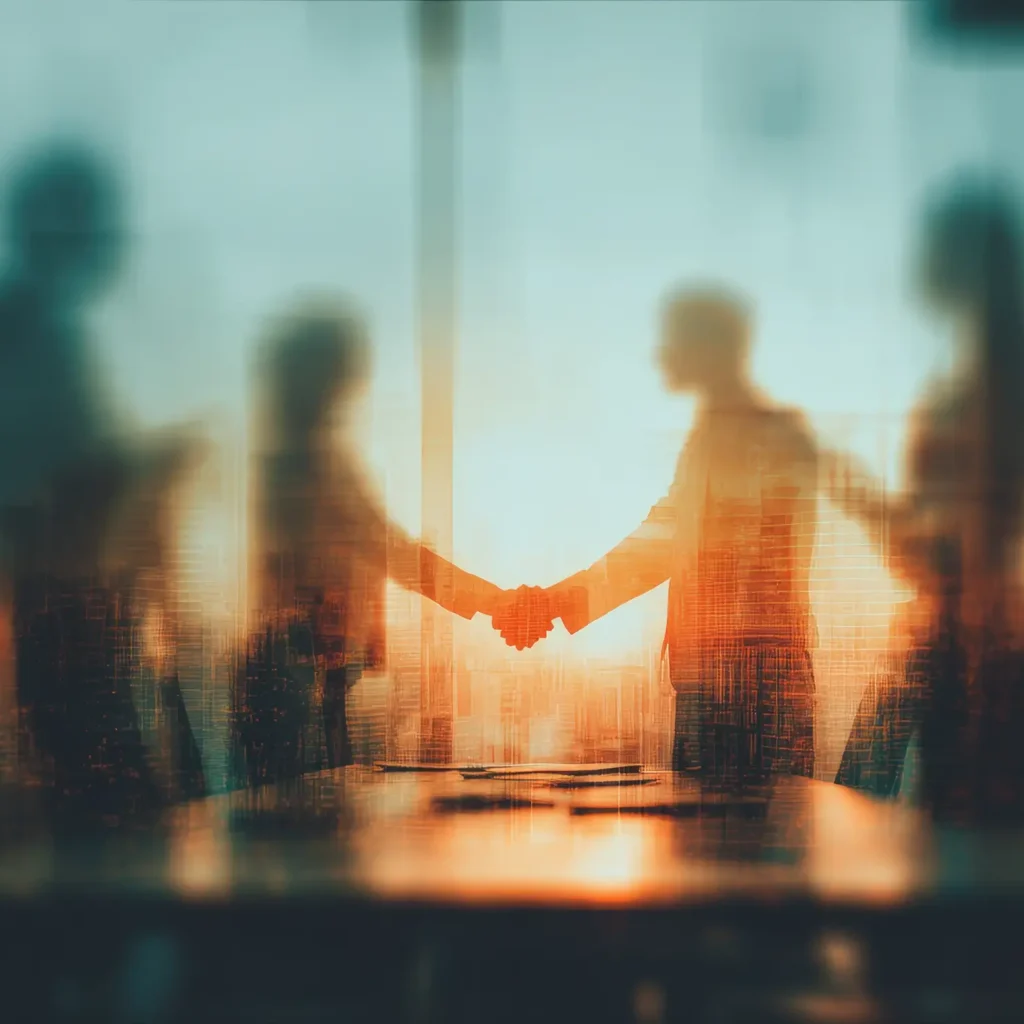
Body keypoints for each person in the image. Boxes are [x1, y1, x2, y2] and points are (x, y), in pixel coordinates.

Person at [496, 286, 819, 784]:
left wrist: (551, 603)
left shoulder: (757, 437)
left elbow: (668, 545)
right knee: (719, 843)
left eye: (674, 341)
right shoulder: (720, 436)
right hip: (728, 680)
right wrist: (554, 603)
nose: (662, 354)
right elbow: (666, 539)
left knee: (736, 842)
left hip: (745, 685)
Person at [0, 141, 207, 827]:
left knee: (114, 804)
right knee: (113, 814)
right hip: (60, 616)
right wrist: (142, 471)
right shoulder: (26, 335)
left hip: (71, 614)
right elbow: (45, 484)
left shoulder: (45, 334)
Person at [237, 297, 509, 784]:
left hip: (314, 665)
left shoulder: (302, 455)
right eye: (339, 372)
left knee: (310, 806)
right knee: (308, 810)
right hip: (305, 665)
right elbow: (389, 553)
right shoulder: (308, 461)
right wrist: (495, 602)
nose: (348, 388)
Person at [829, 177, 1024, 820]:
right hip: (961, 648)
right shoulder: (960, 388)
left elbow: (942, 551)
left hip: (974, 655)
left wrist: (848, 488)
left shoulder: (984, 393)